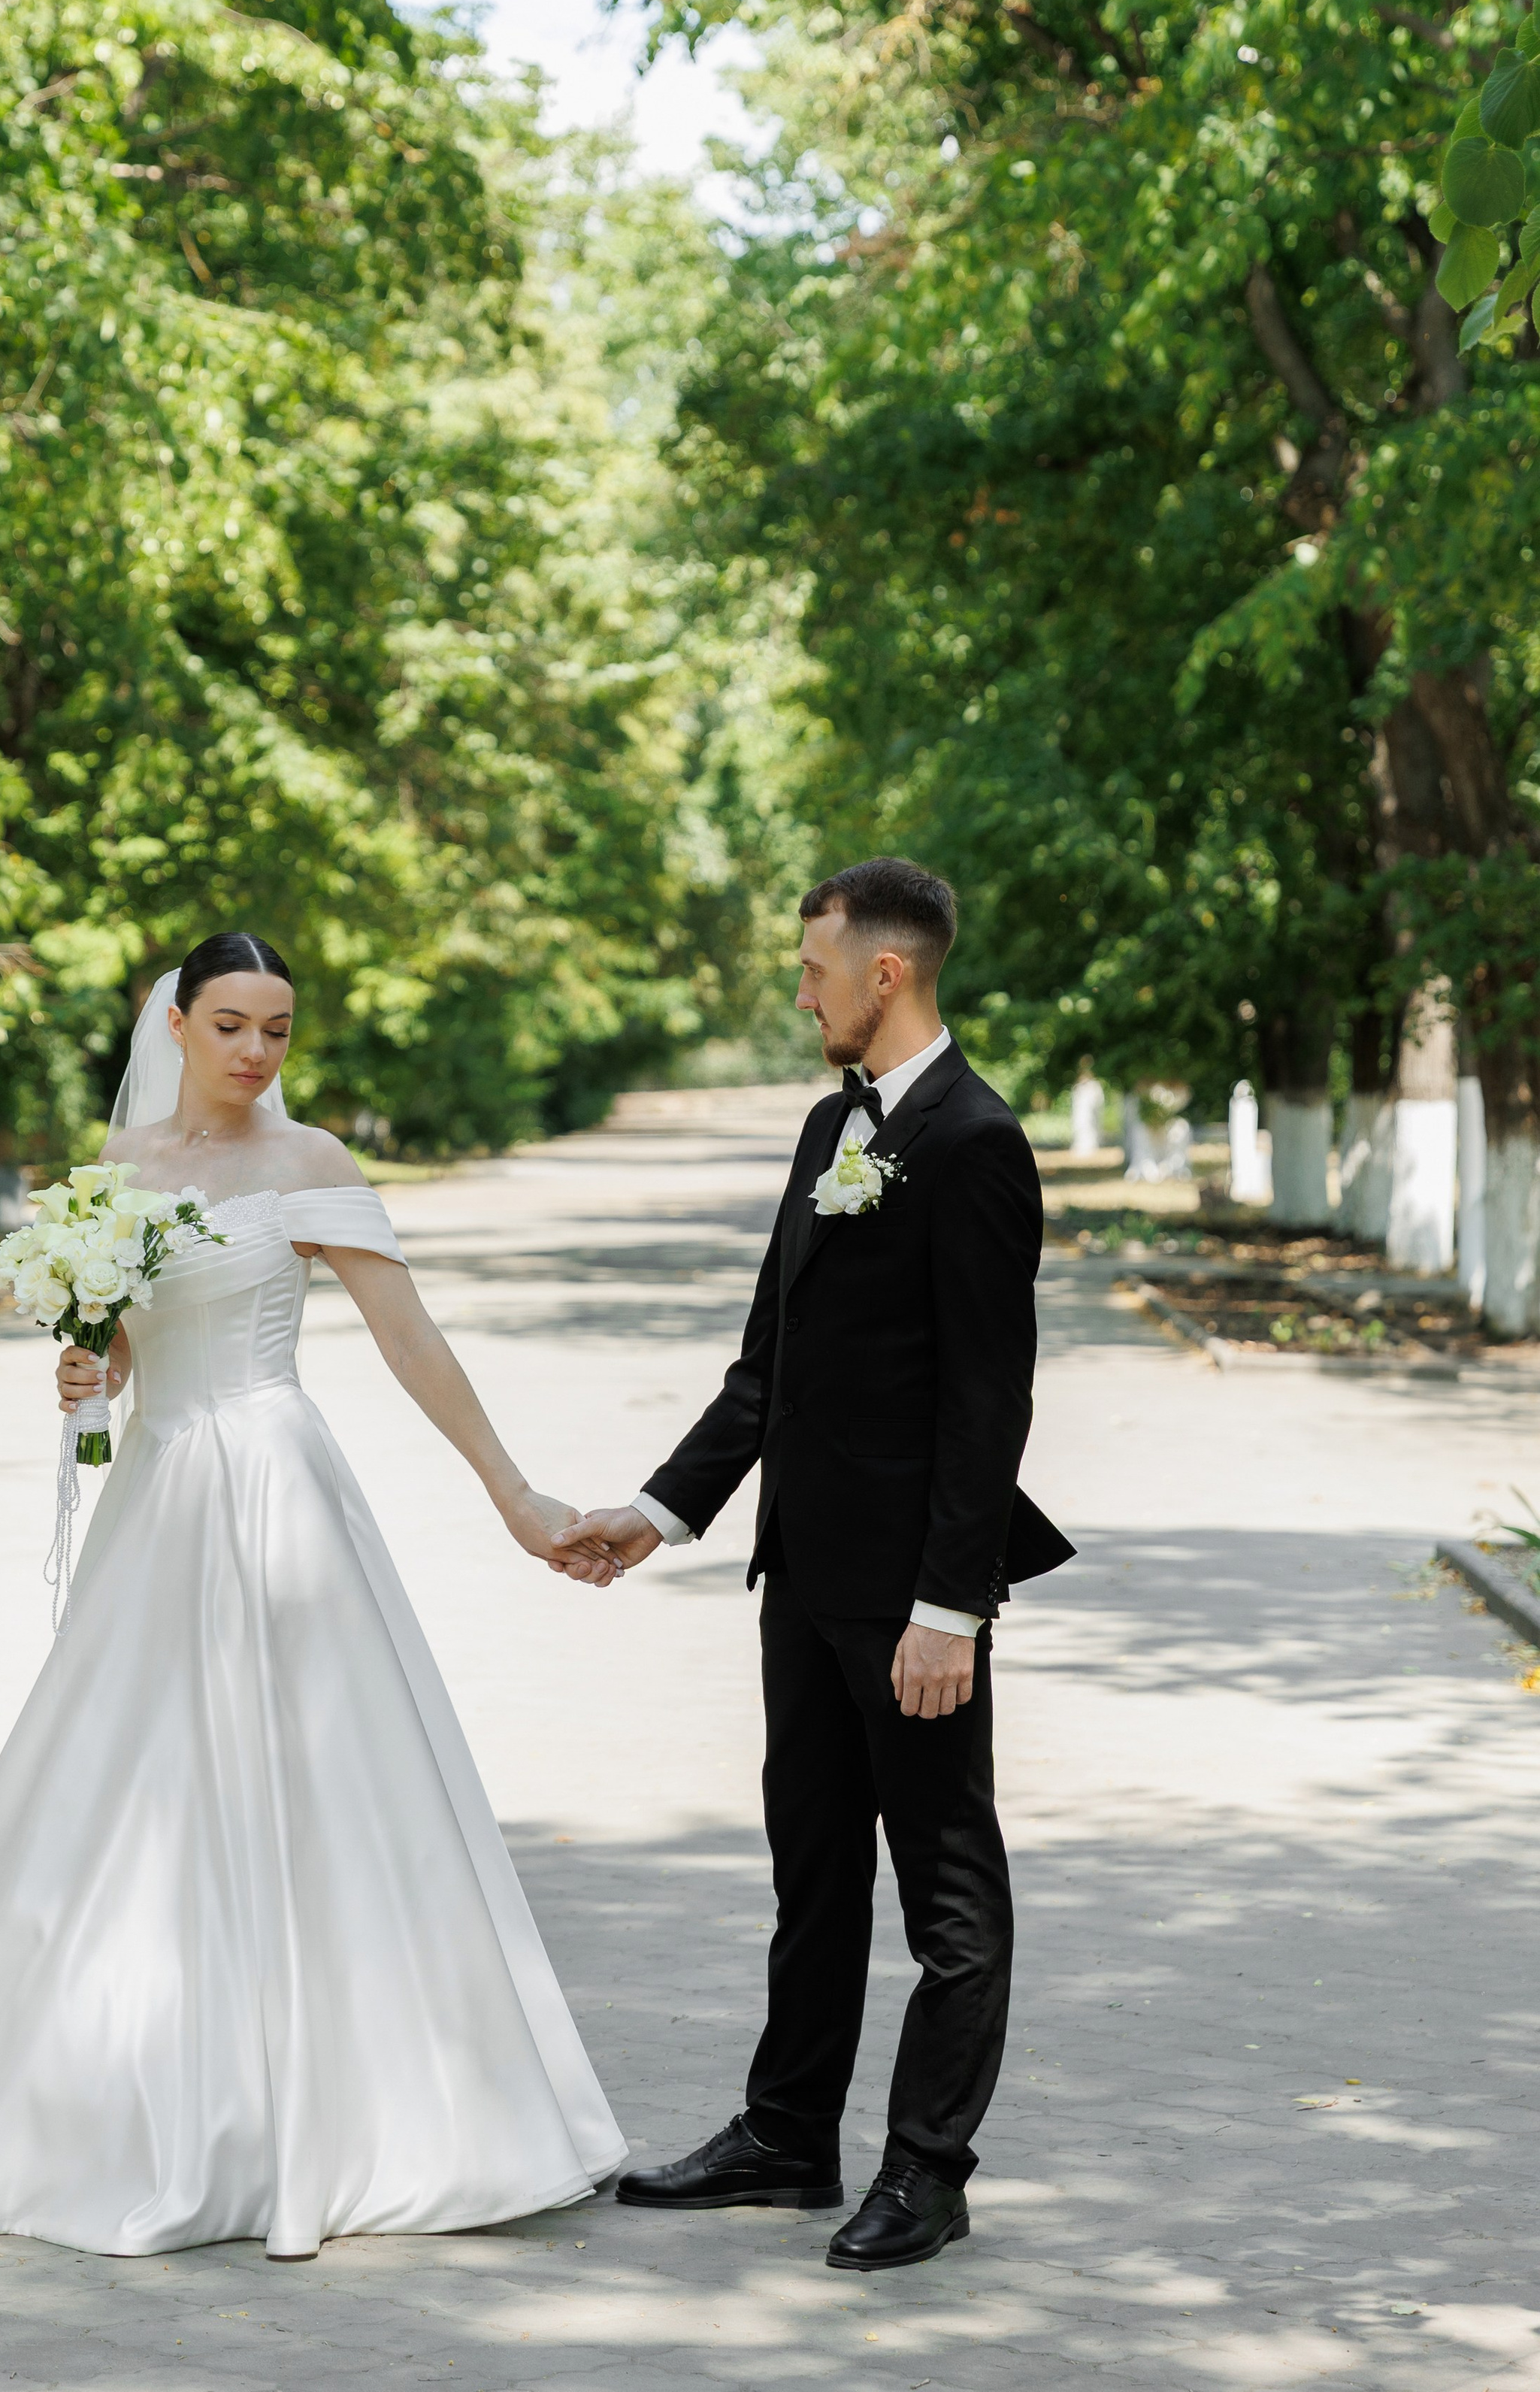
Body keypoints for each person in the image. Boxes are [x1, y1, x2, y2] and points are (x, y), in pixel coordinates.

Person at [0, 930, 625, 2259]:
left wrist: (512, 1493)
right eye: (231, 1024)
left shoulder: (312, 1165)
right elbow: (120, 1345)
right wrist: (85, 1375)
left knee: (311, 1778)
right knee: (129, 1784)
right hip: (160, 1495)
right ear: (174, 1024)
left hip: (276, 1492)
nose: (255, 1051)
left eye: (278, 1029)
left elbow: (410, 1338)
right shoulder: (116, 1172)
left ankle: (354, 2114)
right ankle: (91, 2101)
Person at [552, 858, 1072, 2270]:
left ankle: (929, 2169)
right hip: (801, 1583)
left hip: (913, 1604)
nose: (801, 990)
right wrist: (655, 1514)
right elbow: (766, 1375)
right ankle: (786, 2138)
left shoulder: (974, 1142)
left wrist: (951, 1609)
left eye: (814, 969)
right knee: (814, 1874)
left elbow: (988, 1402)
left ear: (885, 974)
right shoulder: (825, 1129)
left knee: (948, 1897)